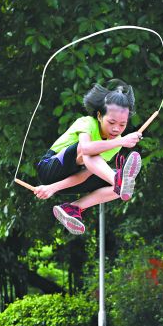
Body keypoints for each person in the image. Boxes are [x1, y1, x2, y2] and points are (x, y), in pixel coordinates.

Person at [34, 79, 142, 235]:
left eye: (122, 125)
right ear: (99, 116)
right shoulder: (87, 123)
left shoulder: (117, 142)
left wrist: (53, 188)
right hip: (48, 168)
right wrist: (123, 141)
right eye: (111, 122)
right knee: (89, 152)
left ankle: (73, 207)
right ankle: (118, 180)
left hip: (66, 180)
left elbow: (84, 175)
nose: (116, 129)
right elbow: (85, 149)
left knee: (116, 189)